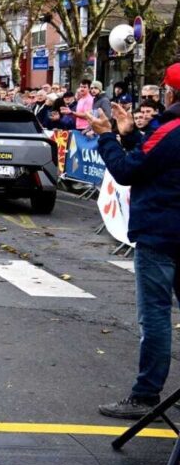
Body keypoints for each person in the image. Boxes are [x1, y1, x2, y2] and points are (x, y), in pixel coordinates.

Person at [79, 63, 180, 420]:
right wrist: (129, 135)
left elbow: (127, 171)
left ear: (170, 94)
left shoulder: (170, 130)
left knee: (154, 316)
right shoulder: (165, 134)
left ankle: (146, 394)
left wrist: (107, 135)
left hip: (161, 233)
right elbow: (157, 164)